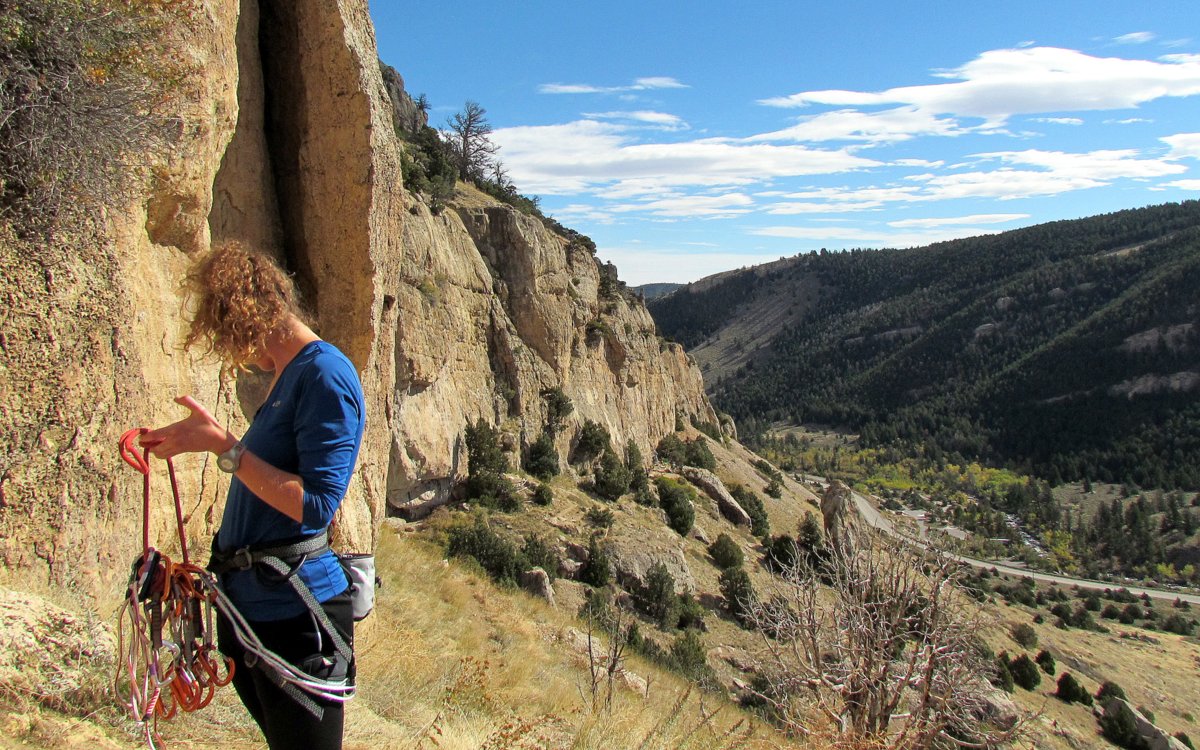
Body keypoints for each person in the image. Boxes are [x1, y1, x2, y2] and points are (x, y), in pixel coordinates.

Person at [141, 242, 365, 750]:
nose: (233, 350)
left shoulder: (325, 374)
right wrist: (205, 442)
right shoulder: (290, 376)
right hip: (255, 608)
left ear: (245, 314)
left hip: (297, 614)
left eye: (225, 330)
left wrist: (224, 446)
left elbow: (316, 505)